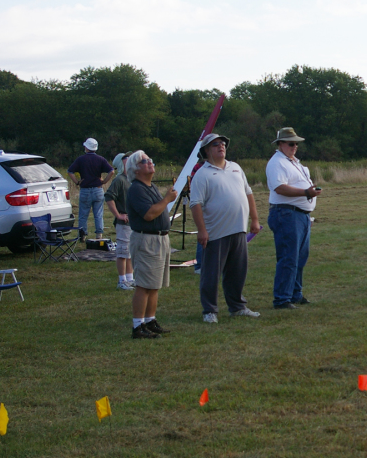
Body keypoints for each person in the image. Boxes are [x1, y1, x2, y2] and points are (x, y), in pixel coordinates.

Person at [189, 133, 262, 323]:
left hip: (238, 229)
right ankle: (209, 310)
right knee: (211, 274)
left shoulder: (236, 168)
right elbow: (195, 204)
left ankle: (237, 306)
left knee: (237, 271)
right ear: (206, 150)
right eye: (215, 145)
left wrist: (254, 219)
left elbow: (248, 193)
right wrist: (202, 230)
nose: (221, 147)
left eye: (223, 144)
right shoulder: (202, 175)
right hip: (215, 232)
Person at [124, 150, 177, 339]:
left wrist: (165, 199)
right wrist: (167, 199)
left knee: (154, 284)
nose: (150, 163)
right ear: (135, 170)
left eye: (150, 160)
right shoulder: (136, 189)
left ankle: (150, 320)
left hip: (159, 238)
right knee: (144, 285)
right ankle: (138, 326)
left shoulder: (150, 186)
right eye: (144, 162)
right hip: (146, 240)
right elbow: (149, 214)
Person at [266, 127, 320, 310]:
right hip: (286, 214)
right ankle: (282, 298)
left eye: (296, 143)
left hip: (301, 215)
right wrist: (306, 192)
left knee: (300, 257)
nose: (294, 146)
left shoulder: (294, 162)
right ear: (280, 144)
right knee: (288, 257)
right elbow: (279, 188)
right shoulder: (276, 163)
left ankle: (295, 294)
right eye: (291, 143)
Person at [68, 137, 114, 238]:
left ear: (87, 148)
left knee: (83, 215)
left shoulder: (81, 159)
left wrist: (77, 182)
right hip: (98, 189)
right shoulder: (101, 159)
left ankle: (82, 235)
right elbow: (111, 171)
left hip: (85, 190)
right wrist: (104, 181)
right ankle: (99, 235)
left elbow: (70, 171)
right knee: (98, 214)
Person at [104, 152, 135, 290]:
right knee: (122, 252)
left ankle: (130, 278)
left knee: (130, 252)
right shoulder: (119, 180)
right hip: (124, 223)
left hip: (133, 222)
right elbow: (109, 197)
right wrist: (118, 215)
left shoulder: (132, 179)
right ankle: (121, 281)